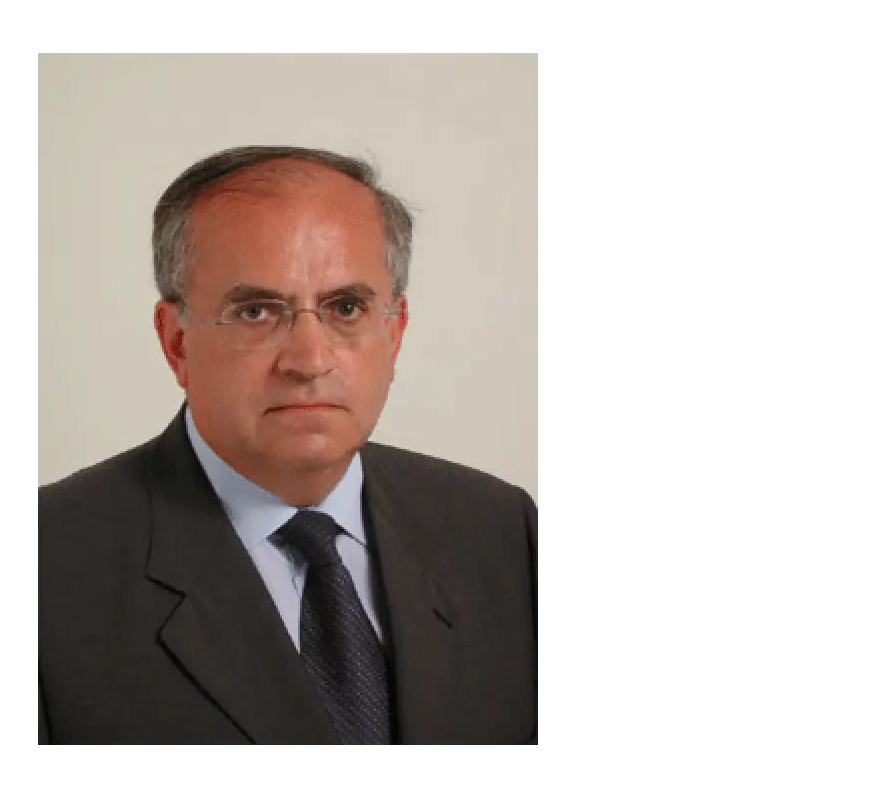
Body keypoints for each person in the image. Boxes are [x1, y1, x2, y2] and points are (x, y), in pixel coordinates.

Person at [38, 145, 541, 751]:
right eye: (256, 311)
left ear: (395, 331)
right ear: (177, 342)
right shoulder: (54, 565)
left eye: (346, 307)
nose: (309, 360)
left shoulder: (503, 533)